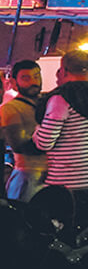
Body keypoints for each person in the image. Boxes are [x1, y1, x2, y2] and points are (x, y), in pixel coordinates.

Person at [34, 49, 88, 234]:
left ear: (63, 71)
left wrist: (36, 130)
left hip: (65, 184)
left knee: (64, 233)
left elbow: (44, 143)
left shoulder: (60, 99)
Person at [1, 60, 45, 202]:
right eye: (26, 78)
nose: (33, 82)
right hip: (28, 176)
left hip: (51, 175)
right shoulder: (11, 108)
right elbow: (18, 145)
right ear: (14, 83)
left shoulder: (47, 103)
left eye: (36, 76)